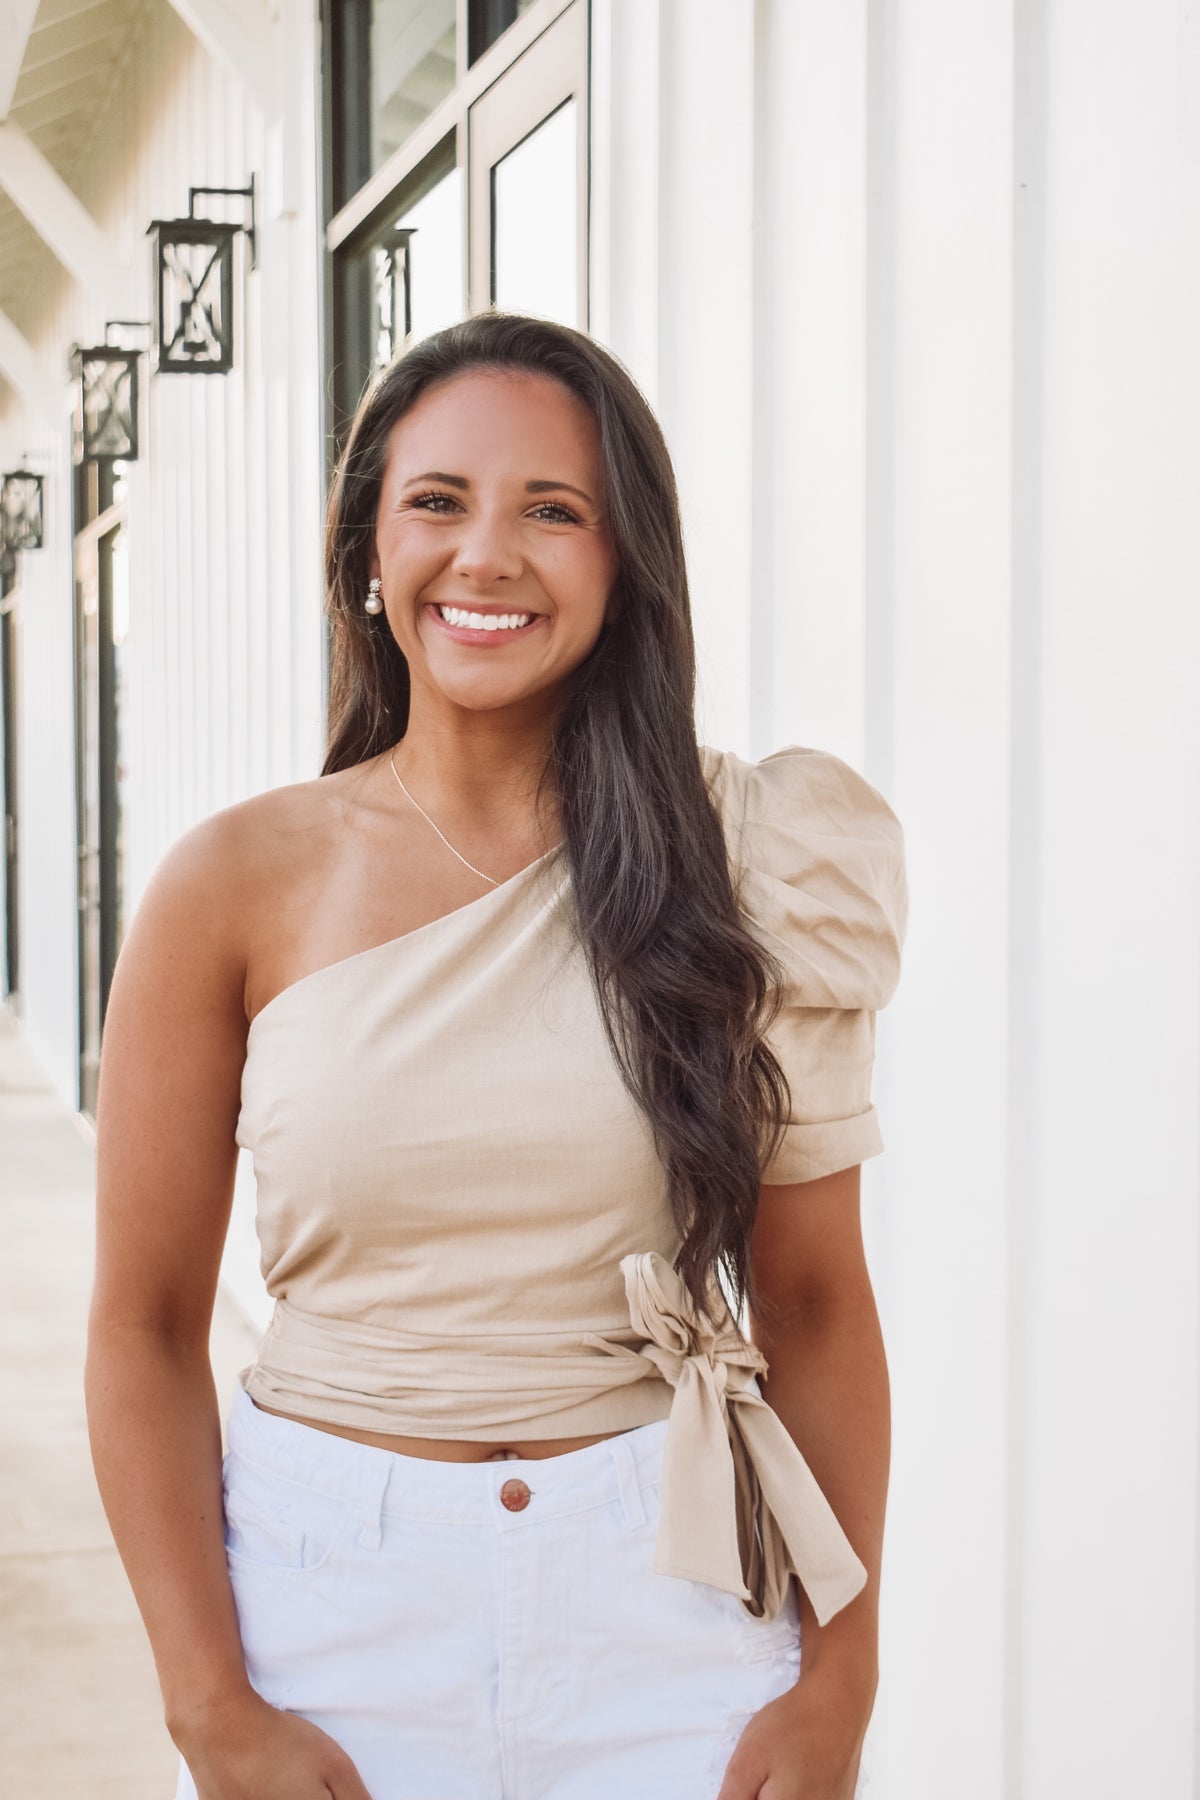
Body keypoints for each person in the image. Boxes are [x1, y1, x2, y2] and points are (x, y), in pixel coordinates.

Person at [85, 310, 907, 1800]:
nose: (488, 557)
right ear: (369, 552)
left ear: (625, 561)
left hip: (668, 1602)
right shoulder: (232, 884)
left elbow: (814, 1298)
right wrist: (210, 1705)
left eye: (554, 510)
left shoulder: (753, 859)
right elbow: (140, 1328)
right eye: (438, 503)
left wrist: (836, 1683)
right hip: (326, 1607)